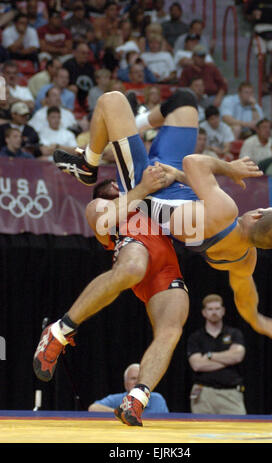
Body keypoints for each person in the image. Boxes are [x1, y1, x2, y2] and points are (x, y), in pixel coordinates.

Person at [53, 89, 272, 342]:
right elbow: (244, 294)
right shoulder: (243, 259)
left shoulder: (227, 211)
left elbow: (194, 162)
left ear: (256, 217)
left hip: (148, 184)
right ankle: (136, 121)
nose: (257, 209)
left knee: (112, 101)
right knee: (184, 102)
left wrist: (228, 168)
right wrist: (255, 318)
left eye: (261, 210)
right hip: (173, 179)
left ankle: (88, 164)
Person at [33, 163, 189, 427]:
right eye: (113, 186)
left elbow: (196, 182)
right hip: (134, 247)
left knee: (172, 328)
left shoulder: (147, 202)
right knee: (131, 269)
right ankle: (59, 330)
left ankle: (136, 398)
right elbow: (104, 223)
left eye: (119, 184)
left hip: (165, 267)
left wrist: (174, 175)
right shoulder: (98, 205)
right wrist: (142, 188)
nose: (117, 185)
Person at [187, 293, 246, 415]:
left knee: (238, 431)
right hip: (203, 393)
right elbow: (197, 365)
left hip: (231, 394)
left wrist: (209, 356)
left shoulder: (234, 334)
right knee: (201, 431)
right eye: (210, 309)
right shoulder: (196, 337)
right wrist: (227, 360)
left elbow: (237, 356)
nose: (214, 312)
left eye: (217, 309)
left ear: (223, 311)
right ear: (204, 312)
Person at [88, 363, 169, 413]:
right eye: (133, 378)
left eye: (140, 379)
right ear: (125, 383)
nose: (137, 382)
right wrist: (121, 413)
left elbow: (167, 422)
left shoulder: (158, 399)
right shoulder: (116, 399)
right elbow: (93, 408)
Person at [245, 0, 272, 93]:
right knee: (262, 57)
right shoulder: (254, 2)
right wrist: (253, 16)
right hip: (258, 30)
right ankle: (263, 83)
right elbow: (247, 17)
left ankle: (271, 76)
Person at [63, 42, 95, 108]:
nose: (86, 55)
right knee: (73, 88)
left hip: (86, 94)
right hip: (73, 93)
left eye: (87, 53)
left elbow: (93, 84)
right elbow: (64, 83)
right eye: (83, 53)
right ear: (75, 53)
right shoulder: (68, 65)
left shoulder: (90, 67)